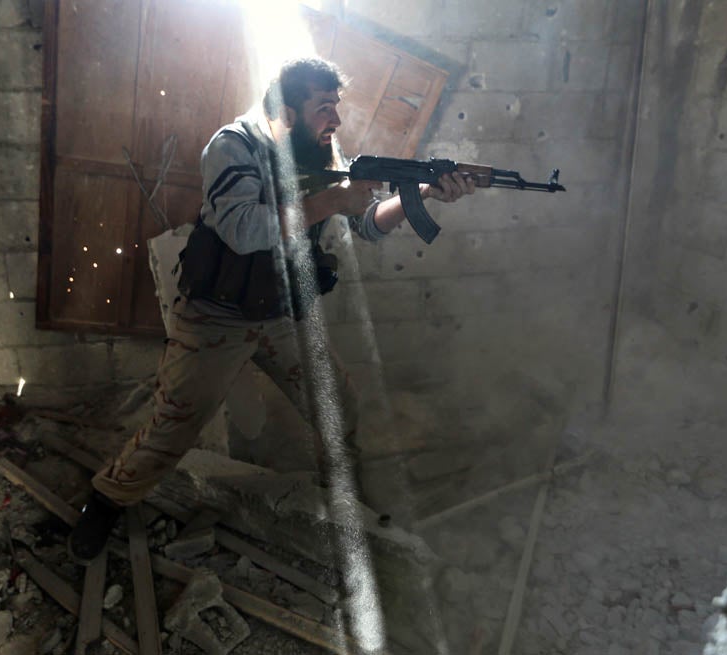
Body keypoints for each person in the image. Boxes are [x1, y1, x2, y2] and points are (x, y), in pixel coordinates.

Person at [68, 57, 475, 564]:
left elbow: (366, 223)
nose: (336, 121)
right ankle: (106, 501)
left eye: (336, 107)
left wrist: (423, 194)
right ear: (286, 109)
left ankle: (344, 502)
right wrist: (333, 200)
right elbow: (243, 231)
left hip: (282, 314)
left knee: (340, 408)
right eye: (324, 108)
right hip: (215, 317)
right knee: (174, 425)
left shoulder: (323, 153)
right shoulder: (231, 146)